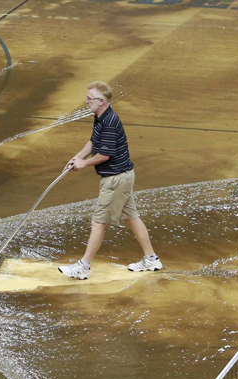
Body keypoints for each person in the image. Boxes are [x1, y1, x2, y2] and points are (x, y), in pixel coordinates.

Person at [58, 82, 162, 279]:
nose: (86, 101)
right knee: (131, 217)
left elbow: (105, 154)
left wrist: (84, 164)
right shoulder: (100, 117)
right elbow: (93, 141)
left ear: (101, 101)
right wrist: (77, 157)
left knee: (98, 223)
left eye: (89, 99)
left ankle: (84, 267)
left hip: (115, 180)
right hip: (121, 177)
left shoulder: (110, 122)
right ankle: (151, 259)